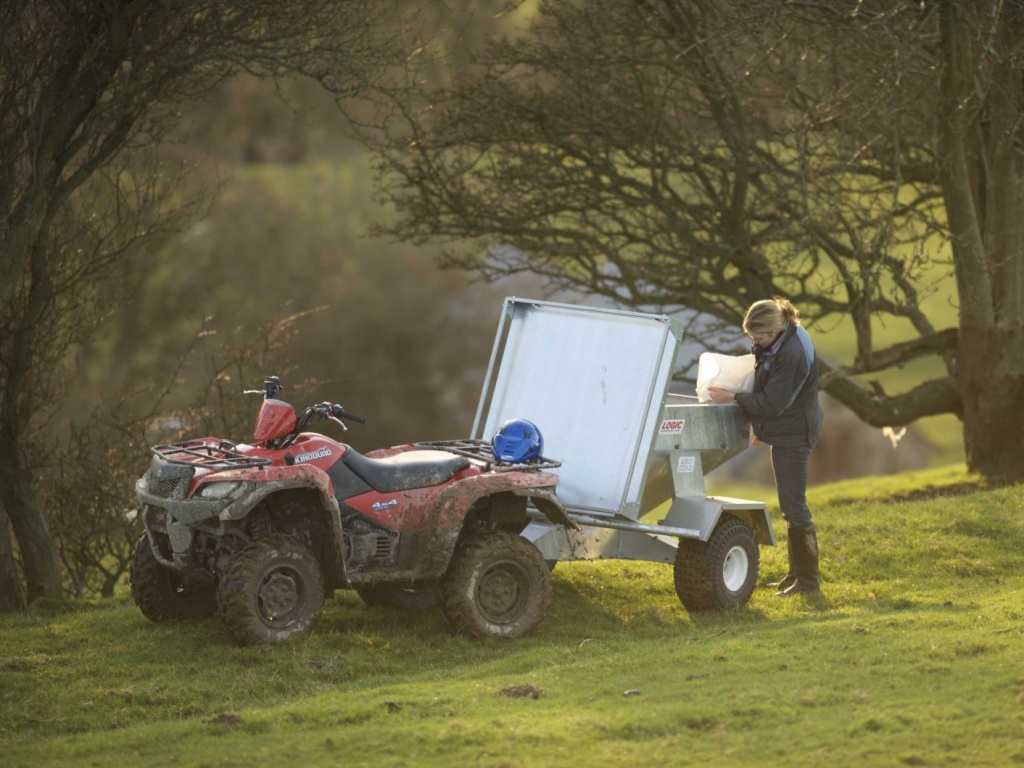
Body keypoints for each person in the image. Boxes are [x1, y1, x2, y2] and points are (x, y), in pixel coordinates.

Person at [709, 297, 823, 597]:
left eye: (758, 337)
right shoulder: (786, 334)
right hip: (790, 427)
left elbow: (772, 404)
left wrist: (733, 397)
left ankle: (808, 583)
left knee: (794, 507)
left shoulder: (792, 354)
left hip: (794, 433)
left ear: (773, 330)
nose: (754, 342)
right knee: (790, 507)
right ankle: (795, 576)